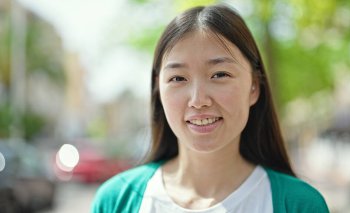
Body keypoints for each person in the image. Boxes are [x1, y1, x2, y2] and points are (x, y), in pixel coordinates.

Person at [92, 4, 329, 213]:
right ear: (158, 91)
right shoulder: (116, 201)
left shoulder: (298, 205)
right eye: (178, 78)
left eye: (219, 74)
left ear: (254, 87)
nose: (198, 100)